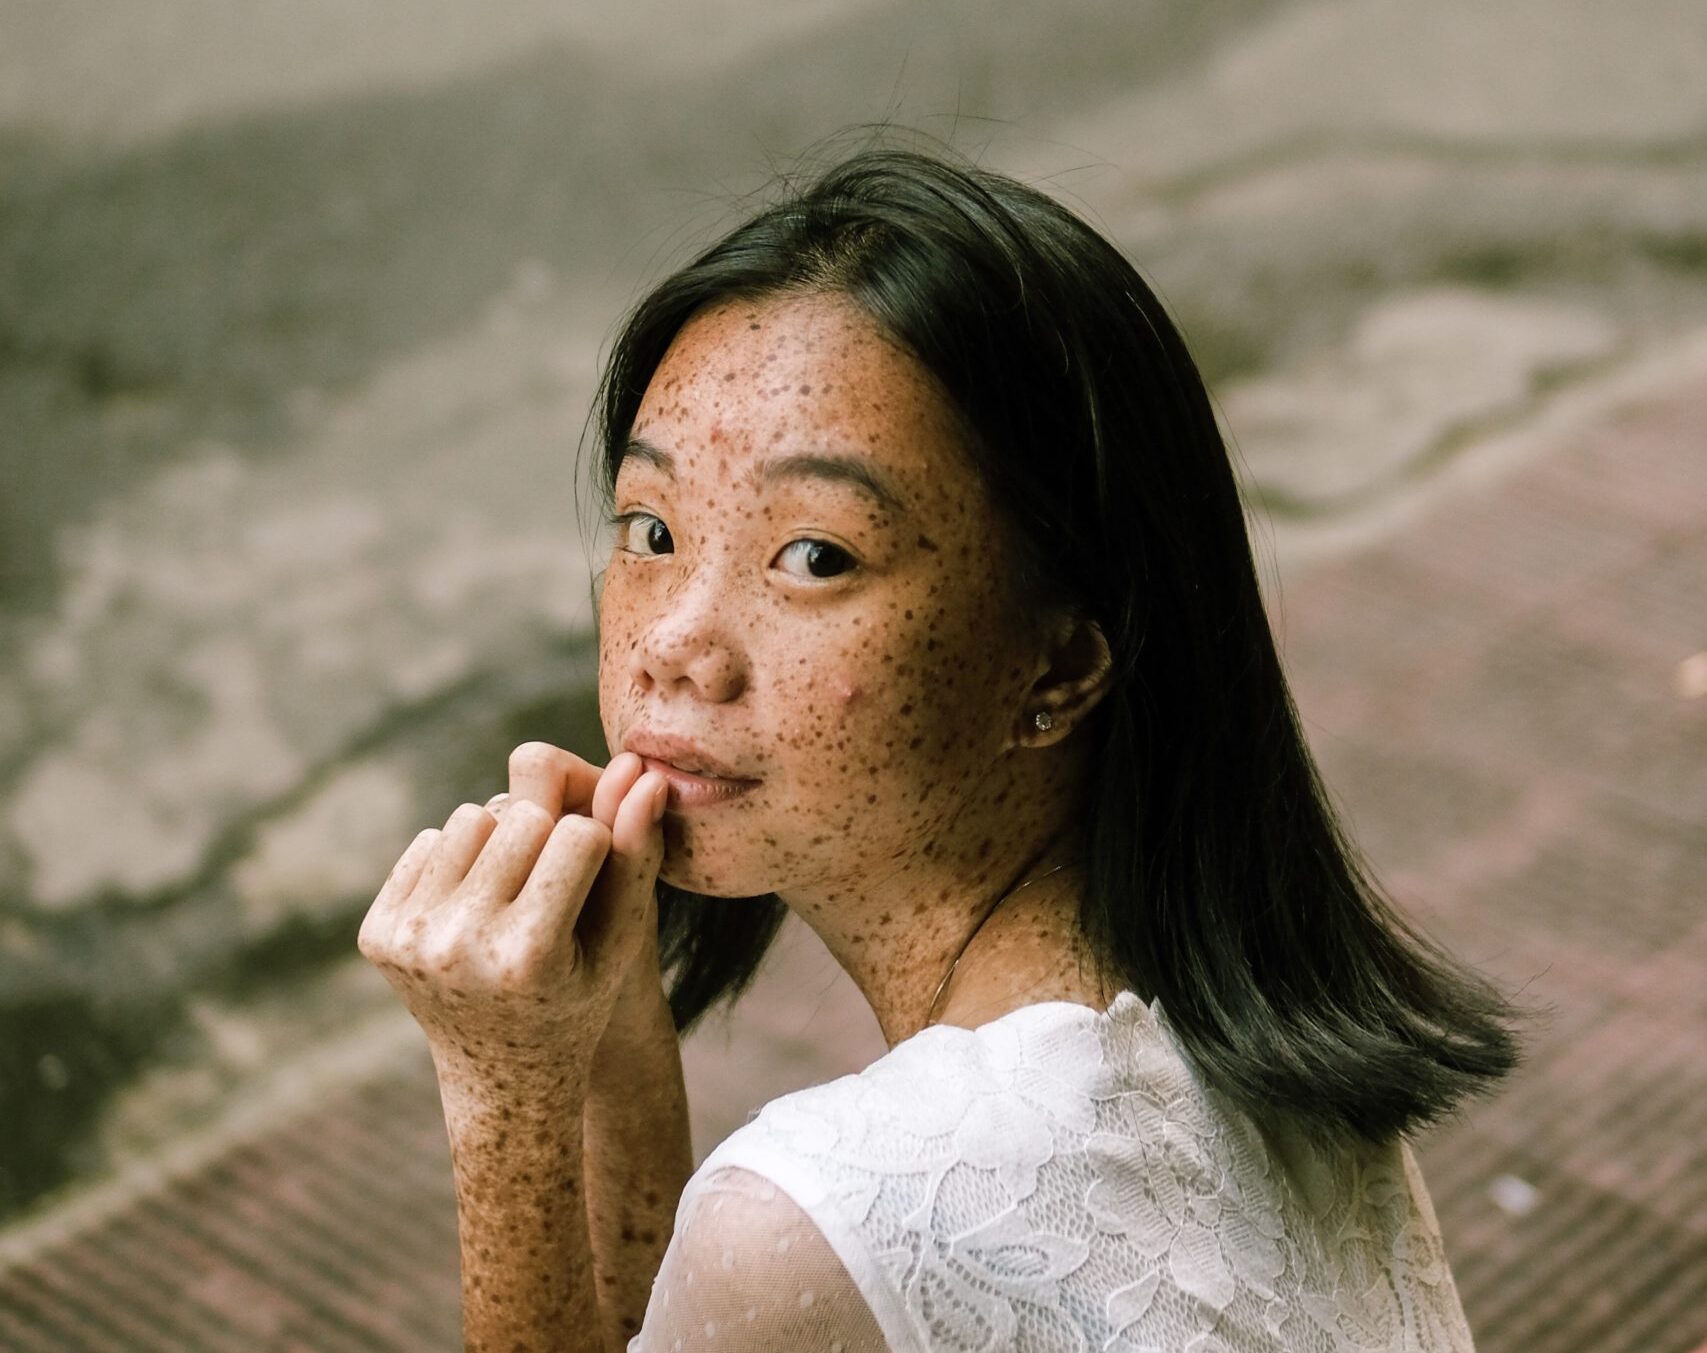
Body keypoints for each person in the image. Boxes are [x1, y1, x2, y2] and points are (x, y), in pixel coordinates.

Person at [357, 143, 1520, 1352]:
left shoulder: (829, 1217)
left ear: (1061, 666)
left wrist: (505, 1107)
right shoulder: (1259, 1036)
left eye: (816, 556)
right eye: (651, 529)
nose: (674, 644)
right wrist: (609, 1054)